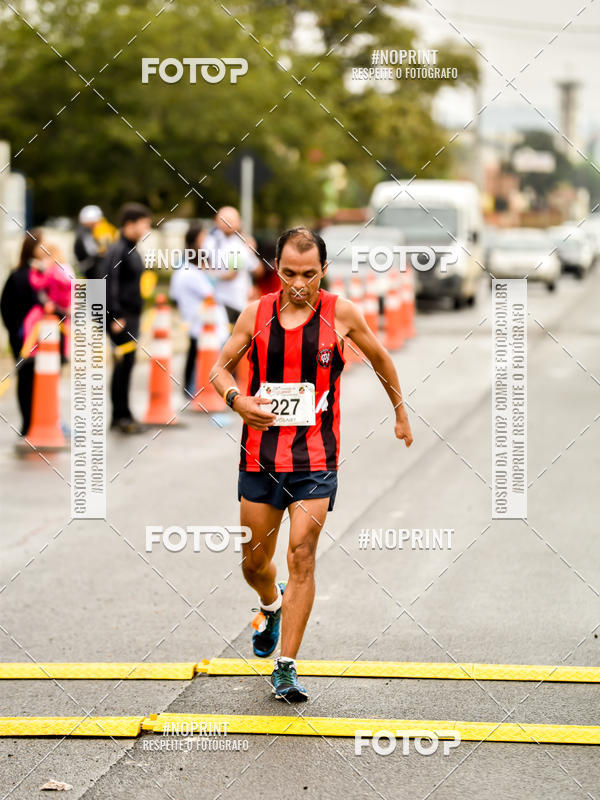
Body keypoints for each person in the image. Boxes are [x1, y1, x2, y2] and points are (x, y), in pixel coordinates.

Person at [210, 227, 413, 702]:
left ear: (323, 268)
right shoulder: (255, 314)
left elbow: (383, 360)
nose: (299, 283)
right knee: (254, 563)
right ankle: (270, 603)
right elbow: (219, 369)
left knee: (302, 555)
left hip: (316, 459)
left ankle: (286, 666)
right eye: (288, 273)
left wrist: (401, 412)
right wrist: (237, 400)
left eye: (308, 274)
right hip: (260, 458)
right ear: (275, 269)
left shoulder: (341, 313)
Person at [100, 202, 152, 434]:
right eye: (144, 224)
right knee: (122, 367)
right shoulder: (118, 249)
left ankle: (124, 413)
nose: (147, 228)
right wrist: (115, 315)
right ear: (130, 224)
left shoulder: (131, 248)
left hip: (131, 316)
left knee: (128, 366)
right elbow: (108, 282)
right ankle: (119, 416)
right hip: (122, 318)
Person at [169, 224, 229, 398]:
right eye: (203, 237)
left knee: (194, 354)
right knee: (199, 357)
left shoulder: (185, 268)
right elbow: (210, 293)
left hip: (196, 319)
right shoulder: (190, 272)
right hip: (201, 321)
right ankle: (193, 389)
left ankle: (191, 389)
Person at [0, 230, 45, 436]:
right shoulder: (20, 275)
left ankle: (41, 421)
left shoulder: (44, 274)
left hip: (43, 338)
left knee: (41, 379)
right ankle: (28, 423)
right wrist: (17, 331)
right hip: (24, 339)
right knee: (26, 379)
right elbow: (6, 306)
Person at [203, 206, 263, 326]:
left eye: (230, 220)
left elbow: (255, 270)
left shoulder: (242, 244)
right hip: (216, 300)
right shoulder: (210, 242)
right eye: (224, 220)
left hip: (238, 301)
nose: (227, 223)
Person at [74, 205, 118, 279]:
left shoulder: (99, 230)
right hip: (91, 272)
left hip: (93, 273)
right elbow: (94, 252)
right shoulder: (87, 233)